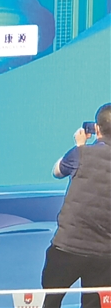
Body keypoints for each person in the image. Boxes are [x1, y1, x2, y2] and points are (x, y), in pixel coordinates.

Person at [41, 104, 111, 308]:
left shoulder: (80, 153)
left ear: (96, 129)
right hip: (105, 254)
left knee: (51, 301)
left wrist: (80, 146)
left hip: (67, 247)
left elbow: (57, 171)